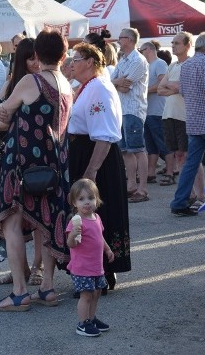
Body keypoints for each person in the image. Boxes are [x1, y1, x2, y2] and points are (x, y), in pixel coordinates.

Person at [0, 30, 72, 311]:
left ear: (36, 54)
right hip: (56, 163)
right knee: (47, 223)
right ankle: (47, 287)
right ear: (64, 54)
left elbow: (4, 114)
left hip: (22, 162)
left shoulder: (30, 81)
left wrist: (3, 112)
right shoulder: (67, 84)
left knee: (12, 222)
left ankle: (20, 292)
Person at [68, 42, 131, 287]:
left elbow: (104, 135)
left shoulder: (99, 88)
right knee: (86, 214)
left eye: (76, 59)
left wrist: (91, 171)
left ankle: (103, 270)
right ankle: (91, 270)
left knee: (95, 211)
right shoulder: (88, 86)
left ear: (90, 62)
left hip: (96, 156)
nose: (72, 63)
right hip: (85, 151)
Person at [0, 37, 45, 286]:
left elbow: (4, 115)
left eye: (38, 57)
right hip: (13, 156)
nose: (36, 63)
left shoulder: (46, 83)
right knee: (15, 215)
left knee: (40, 217)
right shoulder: (11, 85)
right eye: (30, 58)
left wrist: (8, 112)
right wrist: (7, 114)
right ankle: (20, 270)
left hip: (40, 156)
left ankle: (38, 268)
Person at [170, 32, 205, 216]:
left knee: (191, 163)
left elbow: (183, 91)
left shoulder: (186, 65)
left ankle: (179, 201)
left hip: (192, 119)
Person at [66, 178, 115, 338]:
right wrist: (73, 234)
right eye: (81, 199)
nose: (87, 202)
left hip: (96, 267)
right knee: (86, 295)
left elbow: (99, 237)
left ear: (97, 199)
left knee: (96, 293)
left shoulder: (96, 218)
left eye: (90, 198)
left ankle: (91, 319)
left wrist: (107, 249)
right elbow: (71, 244)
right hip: (82, 268)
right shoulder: (76, 223)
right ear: (74, 202)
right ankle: (82, 323)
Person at [109, 28, 150, 202]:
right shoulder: (123, 60)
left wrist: (116, 83)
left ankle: (142, 189)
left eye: (121, 37)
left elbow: (125, 86)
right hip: (122, 109)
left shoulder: (138, 60)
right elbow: (112, 82)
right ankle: (131, 185)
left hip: (133, 110)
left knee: (138, 150)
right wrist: (117, 82)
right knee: (126, 150)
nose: (118, 39)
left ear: (131, 40)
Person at [157, 31, 192, 186]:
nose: (173, 46)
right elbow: (159, 89)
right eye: (172, 43)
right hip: (169, 114)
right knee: (175, 152)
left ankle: (187, 187)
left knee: (185, 153)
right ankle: (181, 184)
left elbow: (182, 87)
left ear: (187, 46)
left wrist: (173, 86)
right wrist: (175, 87)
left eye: (177, 43)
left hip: (183, 115)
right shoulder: (172, 65)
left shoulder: (190, 64)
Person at [140, 41, 169, 186]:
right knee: (151, 144)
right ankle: (150, 172)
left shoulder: (160, 63)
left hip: (157, 110)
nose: (141, 52)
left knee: (162, 142)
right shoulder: (147, 65)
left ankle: (171, 171)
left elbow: (161, 84)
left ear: (150, 49)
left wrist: (143, 91)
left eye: (142, 49)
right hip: (148, 110)